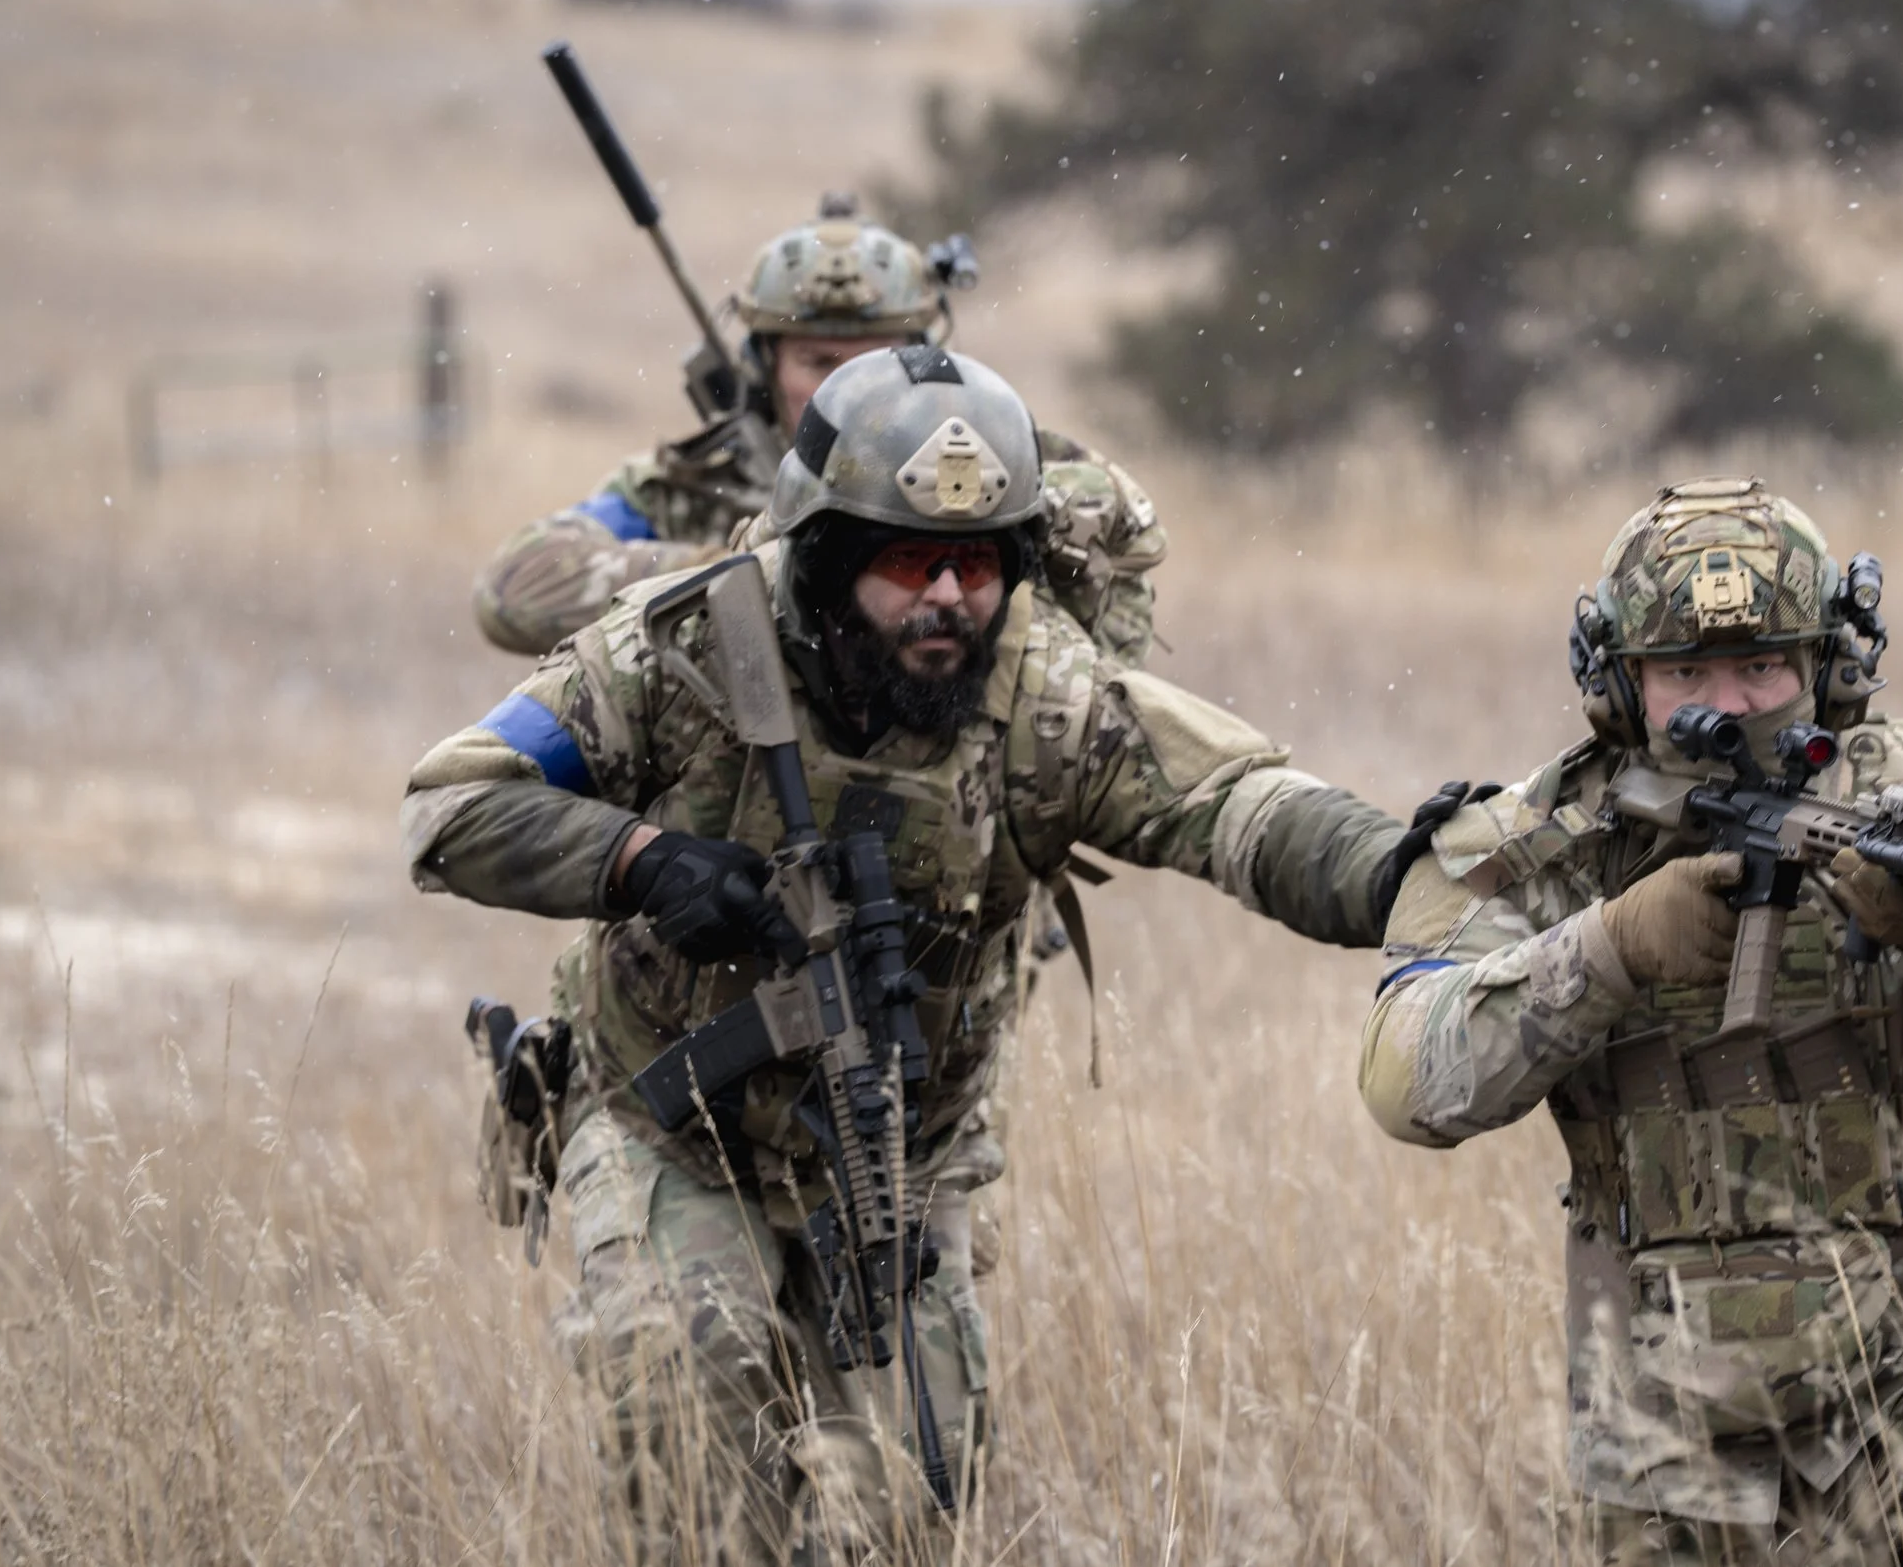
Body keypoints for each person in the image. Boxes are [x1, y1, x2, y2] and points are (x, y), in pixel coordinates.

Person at [405, 345, 1406, 1562]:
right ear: (823, 560)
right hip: (670, 1117)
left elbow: (1238, 803)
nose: (947, 596)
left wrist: (1407, 873)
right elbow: (451, 803)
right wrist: (641, 864)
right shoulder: (676, 649)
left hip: (903, 1150)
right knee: (692, 1411)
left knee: (914, 1501)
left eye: (978, 563)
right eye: (905, 561)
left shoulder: (1042, 693)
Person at [1358, 477, 1903, 1565]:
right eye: (1686, 672)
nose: (1735, 701)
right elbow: (1403, 1080)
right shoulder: (1533, 842)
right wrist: (1607, 948)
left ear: (1828, 666)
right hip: (1672, 1406)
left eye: (1764, 663)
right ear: (1618, 683)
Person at [473, 194, 1164, 668]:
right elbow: (514, 593)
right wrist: (755, 575)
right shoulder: (688, 486)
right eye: (821, 362)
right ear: (762, 367)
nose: (853, 386)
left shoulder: (997, 460)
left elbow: (1122, 546)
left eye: (877, 358)